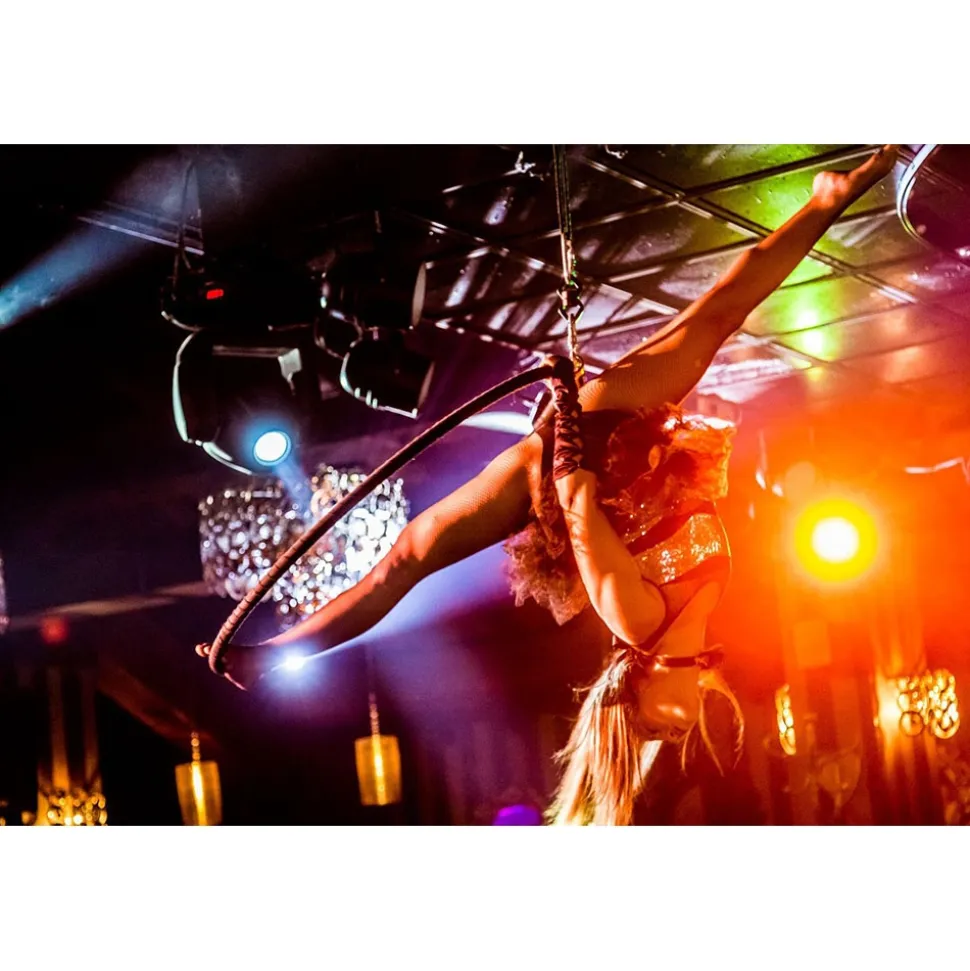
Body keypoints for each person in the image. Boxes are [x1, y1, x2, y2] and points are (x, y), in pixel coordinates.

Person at [197, 145, 900, 824]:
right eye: (675, 731)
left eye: (660, 724)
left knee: (407, 558)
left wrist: (563, 421)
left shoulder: (638, 621)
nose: (680, 728)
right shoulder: (706, 621)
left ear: (642, 686)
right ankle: (829, 200)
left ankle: (273, 657)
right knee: (718, 313)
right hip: (634, 443)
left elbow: (576, 499)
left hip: (576, 460)